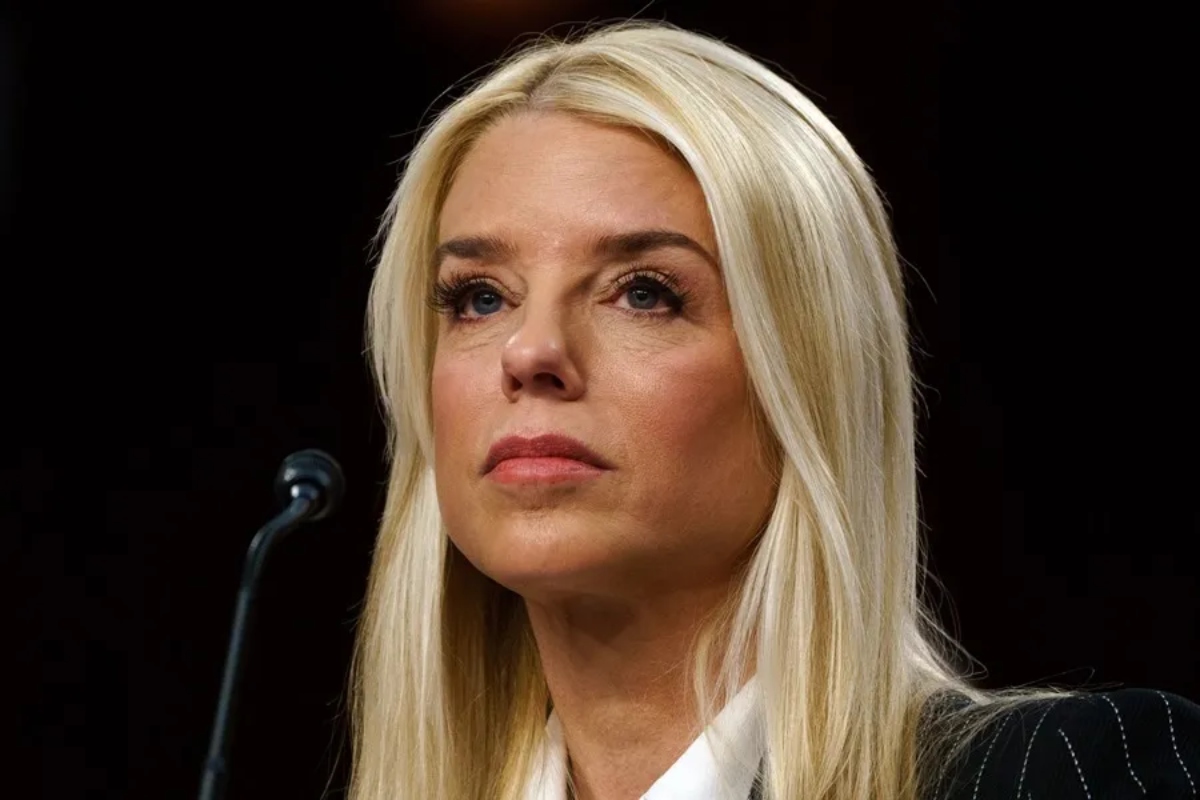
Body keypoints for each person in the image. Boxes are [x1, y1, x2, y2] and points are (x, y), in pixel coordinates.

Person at [349, 20, 1199, 800]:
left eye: (643, 292)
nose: (529, 352)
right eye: (479, 298)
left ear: (806, 372)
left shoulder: (1072, 776)